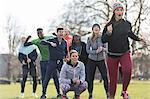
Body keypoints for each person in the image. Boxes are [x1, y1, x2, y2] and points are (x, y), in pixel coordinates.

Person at [101, 2, 145, 99]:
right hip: (112, 55)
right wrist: (108, 33)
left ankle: (124, 91)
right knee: (113, 79)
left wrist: (139, 39)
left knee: (127, 71)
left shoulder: (127, 24)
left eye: (121, 10)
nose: (120, 12)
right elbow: (103, 40)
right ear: (114, 12)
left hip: (125, 52)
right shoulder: (109, 25)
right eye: (117, 10)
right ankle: (111, 96)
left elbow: (130, 34)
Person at [24, 28, 61, 98]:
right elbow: (26, 44)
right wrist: (28, 38)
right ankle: (44, 94)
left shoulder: (49, 38)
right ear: (37, 34)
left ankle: (58, 93)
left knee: (55, 77)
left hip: (52, 61)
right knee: (44, 78)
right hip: (43, 61)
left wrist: (55, 35)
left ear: (43, 32)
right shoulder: (36, 41)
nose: (40, 34)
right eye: (38, 33)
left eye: (41, 32)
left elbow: (58, 39)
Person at [40, 27, 68, 99]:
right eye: (60, 32)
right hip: (52, 62)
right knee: (47, 78)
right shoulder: (52, 40)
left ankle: (62, 94)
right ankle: (43, 94)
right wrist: (50, 43)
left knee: (63, 78)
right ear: (57, 33)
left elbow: (65, 52)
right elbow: (42, 42)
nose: (61, 33)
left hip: (61, 62)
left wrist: (66, 57)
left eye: (62, 32)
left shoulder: (65, 42)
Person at [86, 24, 109, 99]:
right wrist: (95, 52)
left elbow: (107, 49)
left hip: (101, 60)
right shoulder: (89, 38)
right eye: (94, 28)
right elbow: (87, 50)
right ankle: (90, 94)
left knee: (105, 77)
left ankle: (107, 93)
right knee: (90, 78)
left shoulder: (103, 37)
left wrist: (102, 49)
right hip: (91, 60)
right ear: (92, 29)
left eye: (97, 28)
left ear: (99, 29)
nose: (96, 29)